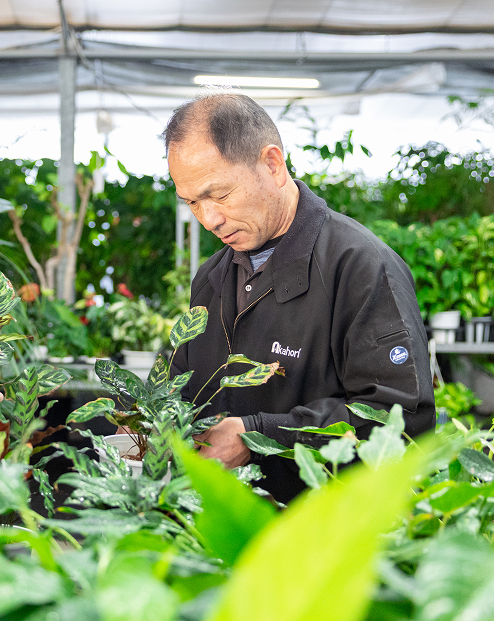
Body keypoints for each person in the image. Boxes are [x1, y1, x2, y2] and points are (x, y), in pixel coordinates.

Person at [165, 93, 434, 502]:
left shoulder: (360, 266)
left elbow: (402, 419)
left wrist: (260, 433)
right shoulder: (211, 279)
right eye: (192, 202)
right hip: (223, 530)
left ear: (272, 164)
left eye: (219, 195)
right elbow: (186, 392)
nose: (209, 219)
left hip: (324, 537)